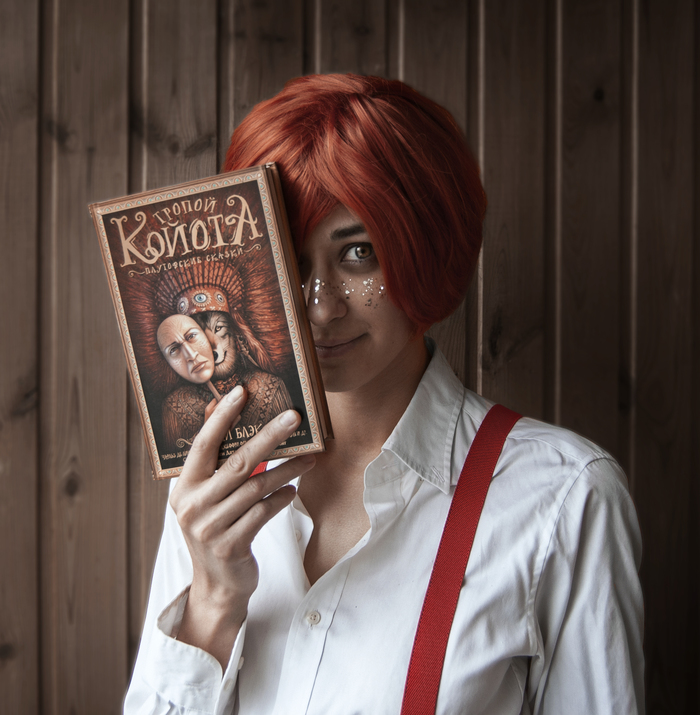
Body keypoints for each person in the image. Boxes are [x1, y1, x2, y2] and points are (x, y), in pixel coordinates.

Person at [125, 74, 644, 714]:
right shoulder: (213, 484)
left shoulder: (562, 498)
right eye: (290, 258)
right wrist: (210, 603)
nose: (320, 309)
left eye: (359, 253)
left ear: (426, 250)